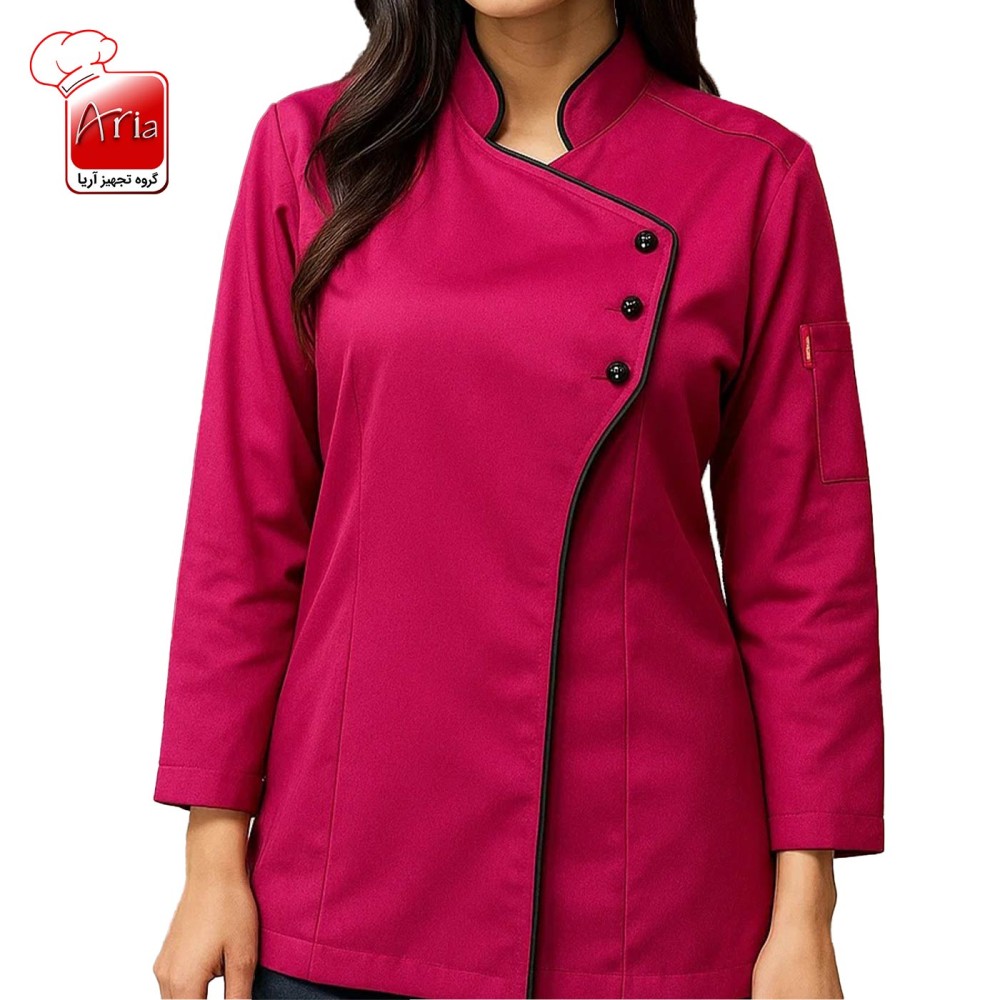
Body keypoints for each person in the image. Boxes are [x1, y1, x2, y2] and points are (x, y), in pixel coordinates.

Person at [151, 1, 885, 998]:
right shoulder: (313, 151)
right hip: (350, 876)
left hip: (647, 891)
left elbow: (806, 566)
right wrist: (211, 855)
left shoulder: (756, 176)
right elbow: (243, 521)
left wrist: (806, 908)